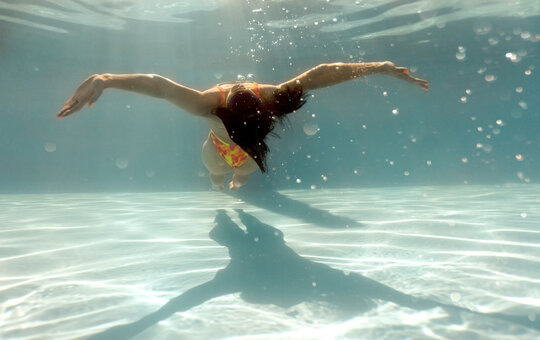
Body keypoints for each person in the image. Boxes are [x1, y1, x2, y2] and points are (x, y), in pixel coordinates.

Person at [57, 61, 429, 191]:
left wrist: (106, 78)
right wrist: (378, 67)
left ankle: (227, 183)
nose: (236, 88)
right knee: (232, 176)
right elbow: (322, 75)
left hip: (228, 151)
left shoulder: (209, 107)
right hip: (243, 154)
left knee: (226, 173)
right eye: (240, 93)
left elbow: (159, 86)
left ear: (226, 110)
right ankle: (227, 184)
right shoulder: (274, 97)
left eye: (236, 95)